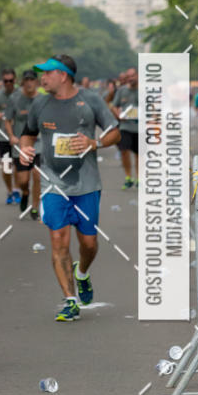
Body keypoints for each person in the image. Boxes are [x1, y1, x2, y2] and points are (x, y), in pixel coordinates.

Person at [19, 55, 120, 322]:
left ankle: (82, 273)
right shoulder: (39, 103)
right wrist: (25, 147)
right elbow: (28, 132)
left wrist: (94, 143)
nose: (42, 78)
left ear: (63, 75)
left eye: (47, 73)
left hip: (86, 183)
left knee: (89, 242)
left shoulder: (90, 101)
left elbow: (114, 132)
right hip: (54, 183)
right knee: (58, 240)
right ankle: (70, 300)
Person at [4, 70, 41, 219]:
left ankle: (35, 207)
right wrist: (11, 136)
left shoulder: (43, 99)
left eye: (32, 79)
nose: (29, 82)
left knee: (37, 175)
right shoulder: (15, 98)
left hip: (39, 144)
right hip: (21, 145)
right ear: (23, 82)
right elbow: (7, 119)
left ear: (36, 82)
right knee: (23, 180)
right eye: (27, 80)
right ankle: (25, 192)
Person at [0, 68, 19, 204]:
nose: (8, 83)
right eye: (6, 81)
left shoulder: (21, 95)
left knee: (19, 166)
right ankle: (9, 191)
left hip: (20, 136)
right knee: (7, 166)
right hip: (3, 136)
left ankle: (18, 190)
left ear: (15, 80)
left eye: (11, 81)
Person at [111, 66, 139, 188]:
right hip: (125, 126)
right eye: (128, 77)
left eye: (132, 76)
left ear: (138, 76)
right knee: (124, 151)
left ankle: (139, 179)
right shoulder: (122, 91)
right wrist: (118, 115)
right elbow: (113, 106)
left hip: (140, 128)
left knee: (139, 154)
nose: (130, 79)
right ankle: (128, 177)